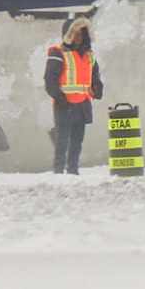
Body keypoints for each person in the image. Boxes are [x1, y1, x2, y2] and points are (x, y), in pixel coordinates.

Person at [44, 16, 103, 174]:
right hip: (65, 105)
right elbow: (50, 80)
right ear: (68, 35)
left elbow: (95, 78)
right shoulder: (58, 52)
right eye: (75, 33)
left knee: (77, 141)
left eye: (81, 33)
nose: (79, 37)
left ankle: (73, 170)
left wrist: (97, 89)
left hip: (83, 104)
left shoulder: (89, 55)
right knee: (62, 141)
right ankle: (58, 171)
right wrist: (60, 98)